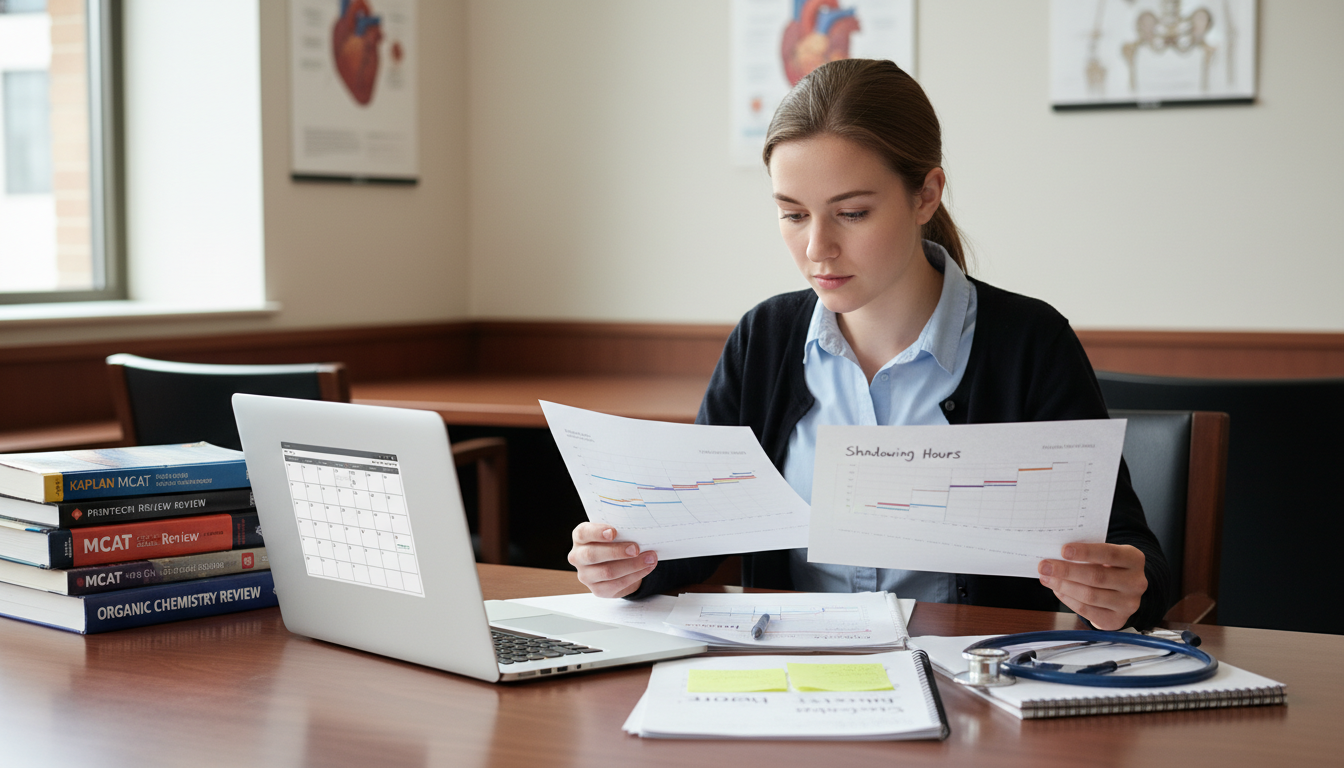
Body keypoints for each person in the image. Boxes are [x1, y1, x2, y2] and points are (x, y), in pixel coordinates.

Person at [567, 58, 1172, 631]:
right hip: (791, 683)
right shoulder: (765, 338)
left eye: (851, 213)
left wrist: (1120, 585)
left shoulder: (1029, 341)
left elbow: (1127, 548)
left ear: (926, 195)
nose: (817, 248)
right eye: (793, 214)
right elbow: (694, 540)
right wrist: (626, 566)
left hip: (972, 687)